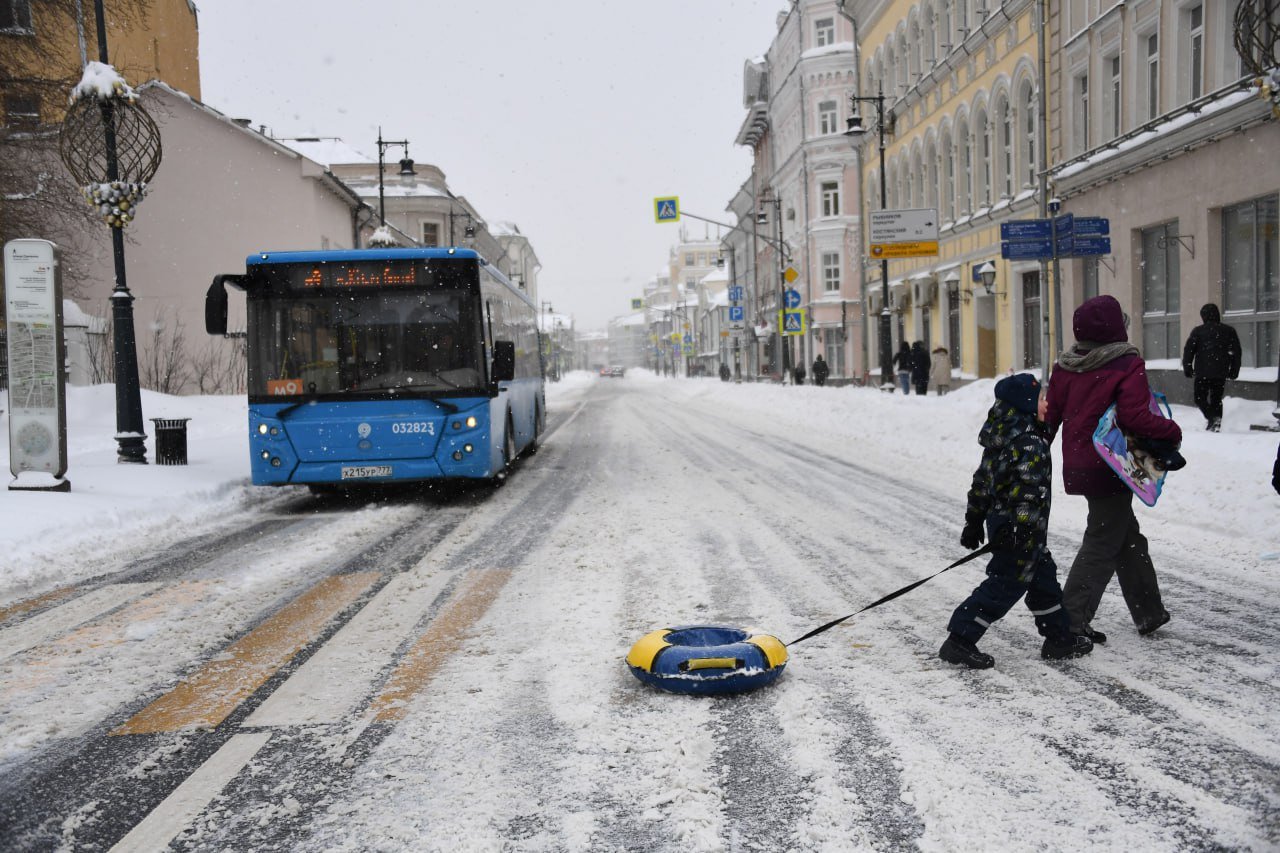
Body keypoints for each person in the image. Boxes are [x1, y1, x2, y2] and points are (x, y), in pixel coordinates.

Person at [1043, 295, 1183, 641]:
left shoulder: (1065, 366)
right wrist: (1172, 431)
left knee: (1125, 534)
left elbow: (1052, 415)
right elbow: (1134, 416)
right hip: (1113, 463)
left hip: (1081, 463)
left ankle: (1149, 612)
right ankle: (1070, 621)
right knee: (1103, 539)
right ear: (1115, 327)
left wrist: (1032, 449)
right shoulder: (1125, 363)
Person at [940, 373, 1093, 669]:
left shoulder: (1001, 436)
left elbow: (982, 482)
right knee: (1006, 583)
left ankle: (1059, 638)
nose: (1046, 403)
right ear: (1025, 404)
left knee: (1042, 577)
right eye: (1040, 399)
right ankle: (960, 638)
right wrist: (1022, 531)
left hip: (1007, 524)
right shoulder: (1029, 442)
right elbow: (1028, 494)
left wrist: (974, 520)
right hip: (1021, 527)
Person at [1181, 303, 1241, 432]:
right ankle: (1216, 421)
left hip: (1202, 371)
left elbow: (1189, 350)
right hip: (1221, 371)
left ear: (1204, 316)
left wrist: (1187, 367)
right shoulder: (1229, 331)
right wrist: (1234, 370)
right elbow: (1236, 351)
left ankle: (1212, 418)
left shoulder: (1198, 331)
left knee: (1199, 398)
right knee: (1216, 398)